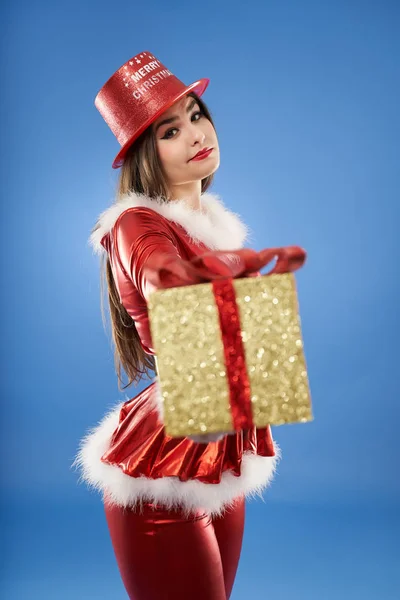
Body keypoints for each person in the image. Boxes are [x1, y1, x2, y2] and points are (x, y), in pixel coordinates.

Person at [74, 50, 281, 600]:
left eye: (195, 114)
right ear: (146, 153)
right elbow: (168, 292)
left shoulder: (214, 230)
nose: (195, 133)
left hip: (218, 448)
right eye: (170, 130)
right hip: (164, 461)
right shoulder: (137, 228)